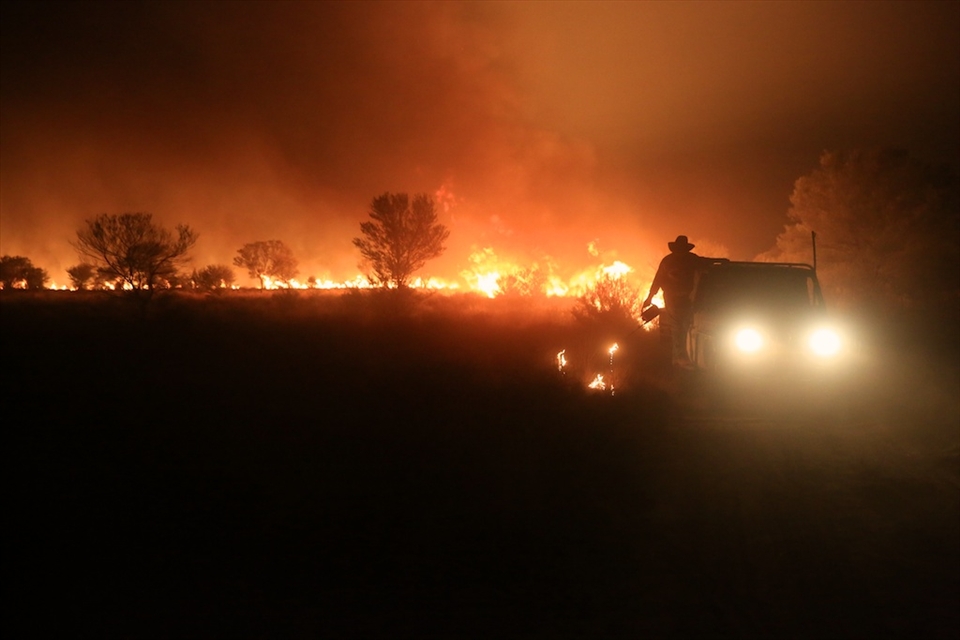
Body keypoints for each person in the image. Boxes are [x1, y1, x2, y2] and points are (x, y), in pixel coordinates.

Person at [642, 235, 705, 369]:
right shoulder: (668, 261)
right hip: (673, 299)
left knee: (686, 325)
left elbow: (704, 268)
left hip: (689, 298)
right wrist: (649, 297)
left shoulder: (692, 260)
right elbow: (658, 280)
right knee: (677, 326)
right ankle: (678, 357)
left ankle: (684, 356)